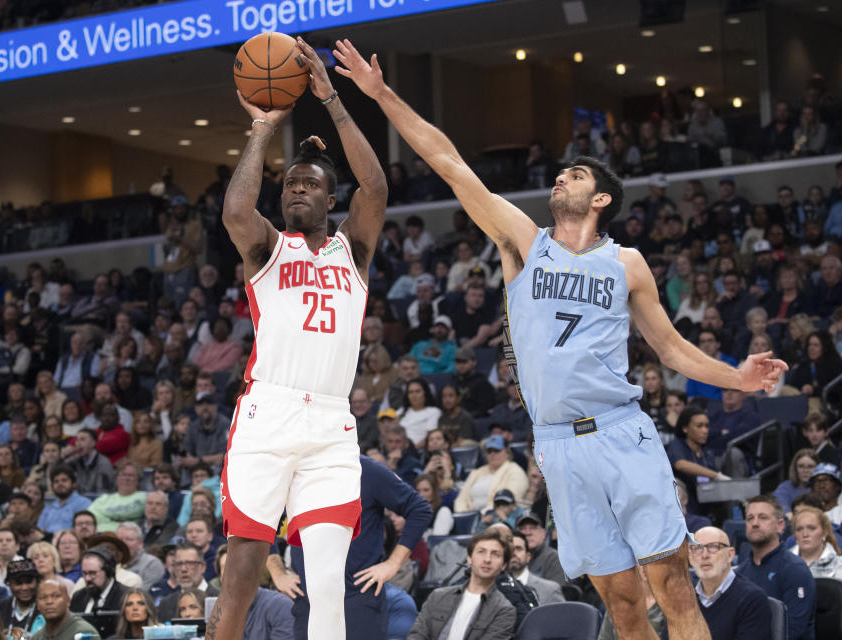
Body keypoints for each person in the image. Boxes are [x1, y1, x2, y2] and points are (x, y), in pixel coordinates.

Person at [336, 37, 787, 640]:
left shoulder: (627, 263)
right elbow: (449, 162)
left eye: (574, 174)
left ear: (600, 198)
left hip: (622, 432)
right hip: (558, 446)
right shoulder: (526, 242)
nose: (559, 177)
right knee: (622, 605)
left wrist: (739, 377)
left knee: (673, 588)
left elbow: (671, 349)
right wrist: (381, 95)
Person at [209, 37, 387, 640]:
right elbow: (236, 211)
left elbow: (377, 186)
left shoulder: (352, 250)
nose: (295, 191)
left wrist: (331, 98)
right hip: (269, 414)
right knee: (241, 579)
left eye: (309, 185)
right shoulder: (266, 247)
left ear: (330, 200)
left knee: (330, 585)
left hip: (332, 425)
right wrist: (262, 129)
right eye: (288, 186)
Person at [290, 455, 431, 640]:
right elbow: (263, 522)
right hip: (309, 602)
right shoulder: (295, 472)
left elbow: (420, 509)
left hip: (357, 599)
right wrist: (277, 571)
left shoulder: (366, 470)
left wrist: (393, 563)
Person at [407, 529, 517, 640]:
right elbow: (417, 636)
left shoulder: (504, 610)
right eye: (481, 552)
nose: (487, 559)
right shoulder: (438, 596)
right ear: (469, 558)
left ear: (503, 565)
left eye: (495, 554)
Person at [736, 495, 815, 640]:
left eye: (763, 517)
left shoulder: (795, 569)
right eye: (750, 518)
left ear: (780, 525)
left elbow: (792, 631)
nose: (755, 523)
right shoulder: (739, 573)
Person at [688, 526, 771, 640]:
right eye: (697, 548)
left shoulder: (752, 599)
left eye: (713, 547)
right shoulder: (684, 598)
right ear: (690, 558)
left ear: (730, 555)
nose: (704, 555)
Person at [454, 435, 528, 513]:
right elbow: (461, 498)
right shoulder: (476, 472)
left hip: (498, 515)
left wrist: (486, 513)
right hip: (472, 516)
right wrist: (463, 513)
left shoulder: (515, 471)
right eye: (489, 451)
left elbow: (509, 499)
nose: (492, 454)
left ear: (507, 453)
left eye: (496, 450)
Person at [157, 542, 220, 621]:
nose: (183, 569)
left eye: (190, 563)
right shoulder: (166, 605)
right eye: (179, 564)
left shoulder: (219, 599)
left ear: (203, 567)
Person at [30, 580, 100, 640]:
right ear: (38, 605)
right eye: (43, 597)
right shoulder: (37, 637)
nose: (49, 601)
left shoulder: (84, 633)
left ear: (68, 601)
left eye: (56, 596)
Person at [788, 505, 842, 581]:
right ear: (794, 534)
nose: (805, 534)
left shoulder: (839, 565)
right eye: (799, 529)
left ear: (824, 533)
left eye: (811, 528)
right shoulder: (781, 563)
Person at [508, 532, 564, 605]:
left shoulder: (549, 590)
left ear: (528, 557)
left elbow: (563, 616)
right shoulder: (495, 588)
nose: (514, 553)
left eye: (518, 549)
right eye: (510, 550)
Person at [69, 546, 126, 613]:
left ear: (108, 571)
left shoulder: (125, 597)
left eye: (92, 573)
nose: (87, 578)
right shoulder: (78, 597)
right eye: (84, 573)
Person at [37, 466, 92, 534]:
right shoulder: (48, 508)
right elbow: (39, 530)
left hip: (70, 542)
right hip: (47, 542)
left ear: (74, 483)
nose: (60, 484)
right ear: (52, 486)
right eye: (56, 481)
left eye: (64, 480)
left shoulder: (83, 503)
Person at [514, 515, 566, 585]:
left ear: (543, 534)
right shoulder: (511, 557)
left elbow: (554, 592)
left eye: (533, 528)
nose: (528, 533)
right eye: (522, 528)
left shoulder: (554, 558)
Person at [0, 559, 44, 637]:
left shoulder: (46, 607)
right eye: (18, 583)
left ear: (37, 582)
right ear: (9, 585)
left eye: (29, 582)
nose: (24, 588)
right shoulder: (0, 608)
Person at [116, 522, 165, 587]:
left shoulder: (152, 564)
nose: (123, 544)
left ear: (140, 543)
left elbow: (144, 594)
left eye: (129, 539)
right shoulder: (109, 562)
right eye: (119, 540)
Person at [774, 449, 819, 513]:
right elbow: (782, 512)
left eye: (810, 467)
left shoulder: (821, 488)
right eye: (801, 466)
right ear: (795, 468)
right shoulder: (785, 488)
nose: (805, 471)